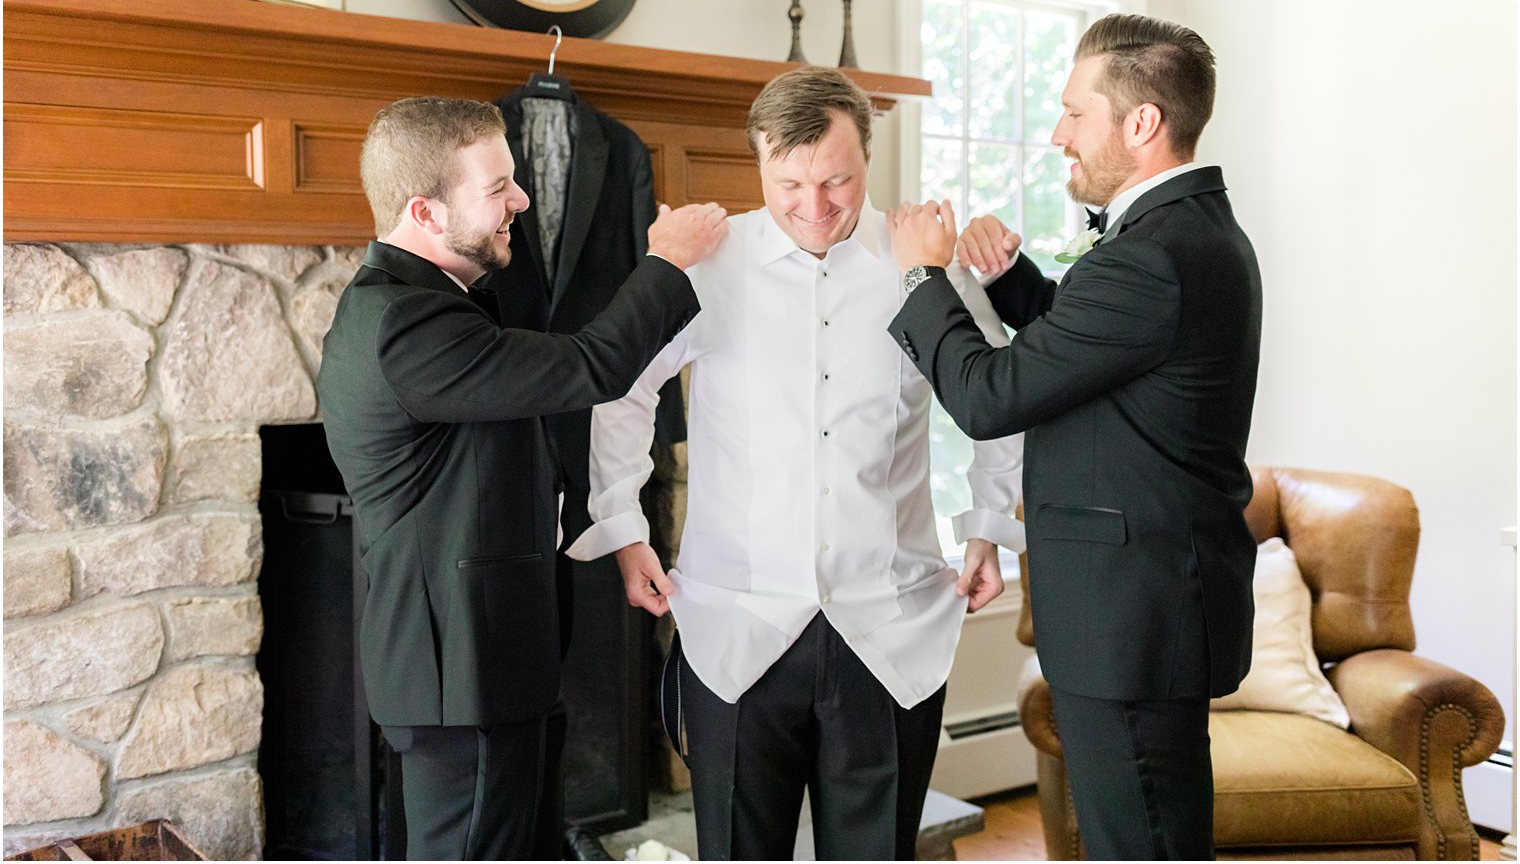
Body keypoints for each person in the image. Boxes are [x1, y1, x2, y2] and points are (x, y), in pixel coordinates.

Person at [566, 67, 1026, 861]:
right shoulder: (709, 264)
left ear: (868, 161)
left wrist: (987, 525)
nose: (815, 206)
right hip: (736, 629)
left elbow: (1000, 394)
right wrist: (623, 524)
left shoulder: (922, 260)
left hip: (889, 629)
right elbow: (622, 389)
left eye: (837, 181)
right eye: (790, 184)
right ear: (759, 166)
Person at [887, 14, 1261, 860]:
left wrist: (921, 274)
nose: (1058, 134)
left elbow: (989, 397)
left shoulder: (1151, 255)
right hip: (1149, 611)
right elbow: (1107, 354)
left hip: (1133, 621)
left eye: (1072, 113)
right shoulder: (1188, 233)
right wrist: (1009, 281)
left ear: (1140, 123)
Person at [316, 96, 727, 860]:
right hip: (459, 678)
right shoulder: (405, 325)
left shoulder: (442, 305)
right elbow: (589, 366)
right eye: (498, 187)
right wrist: (666, 261)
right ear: (425, 211)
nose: (522, 200)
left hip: (493, 669)